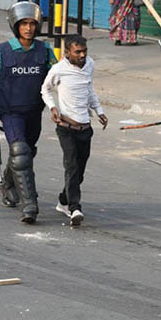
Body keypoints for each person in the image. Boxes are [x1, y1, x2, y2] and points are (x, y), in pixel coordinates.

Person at [0, 2, 57, 224]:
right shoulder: (2, 50)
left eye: (32, 23)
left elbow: (57, 79)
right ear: (15, 25)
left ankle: (7, 183)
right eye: (23, 23)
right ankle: (29, 205)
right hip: (9, 110)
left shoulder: (45, 51)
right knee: (20, 150)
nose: (28, 28)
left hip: (33, 110)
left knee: (26, 152)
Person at [41, 35, 108, 226]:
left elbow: (89, 89)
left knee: (79, 171)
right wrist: (53, 107)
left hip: (85, 127)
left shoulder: (89, 65)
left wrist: (99, 110)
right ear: (67, 53)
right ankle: (74, 208)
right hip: (66, 128)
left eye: (84, 51)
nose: (82, 55)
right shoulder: (59, 70)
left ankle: (63, 200)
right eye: (77, 52)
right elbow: (45, 89)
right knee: (71, 166)